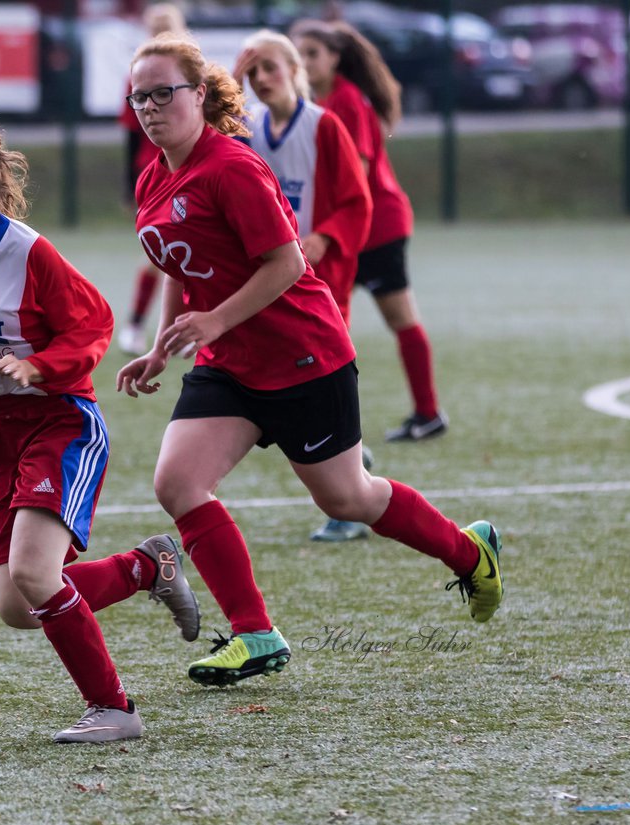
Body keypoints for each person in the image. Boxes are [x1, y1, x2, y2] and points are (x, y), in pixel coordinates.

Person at [116, 35, 504, 687]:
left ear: (200, 95)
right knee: (177, 483)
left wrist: (213, 319)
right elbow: (174, 266)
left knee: (349, 498)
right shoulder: (154, 173)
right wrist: (161, 346)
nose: (150, 108)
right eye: (139, 97)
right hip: (230, 363)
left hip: (304, 355)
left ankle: (470, 553)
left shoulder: (231, 167)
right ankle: (255, 634)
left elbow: (289, 262)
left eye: (164, 93)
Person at [0, 107, 201, 744]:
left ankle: (114, 710)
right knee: (14, 604)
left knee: (37, 577)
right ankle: (148, 568)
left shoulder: (28, 252)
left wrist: (42, 365)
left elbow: (93, 325)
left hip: (60, 422)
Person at [233, 29, 376, 542]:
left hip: (321, 282)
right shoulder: (247, 129)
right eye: (252, 73)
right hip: (272, 283)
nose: (262, 79)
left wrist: (325, 238)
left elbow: (358, 203)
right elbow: (207, 144)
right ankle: (353, 463)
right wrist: (230, 82)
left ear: (296, 70)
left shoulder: (324, 126)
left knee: (320, 381)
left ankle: (347, 501)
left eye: (270, 67)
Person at [292, 19, 448, 443]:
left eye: (312, 54)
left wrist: (323, 229)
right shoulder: (307, 103)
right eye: (298, 53)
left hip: (374, 227)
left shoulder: (347, 102)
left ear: (335, 58)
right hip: (336, 230)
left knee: (398, 319)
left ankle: (427, 413)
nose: (303, 63)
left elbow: (354, 179)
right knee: (323, 326)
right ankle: (326, 422)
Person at [117, 2, 188, 355]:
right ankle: (135, 325)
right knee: (162, 253)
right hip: (156, 176)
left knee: (195, 248)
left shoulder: (191, 77)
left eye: (168, 30)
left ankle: (187, 326)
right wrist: (128, 183)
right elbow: (131, 135)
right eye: (156, 30)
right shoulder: (138, 76)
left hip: (192, 174)